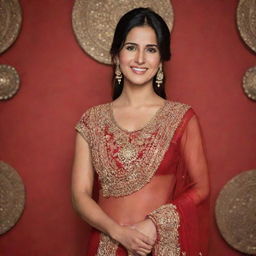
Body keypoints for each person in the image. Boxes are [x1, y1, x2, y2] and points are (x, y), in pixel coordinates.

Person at [71, 7, 210, 256]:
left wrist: (154, 225)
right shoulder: (92, 120)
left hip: (158, 246)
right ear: (116, 55)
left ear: (161, 59)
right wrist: (118, 232)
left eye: (151, 49)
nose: (140, 59)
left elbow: (201, 188)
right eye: (131, 47)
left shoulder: (181, 118)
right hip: (106, 245)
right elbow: (80, 195)